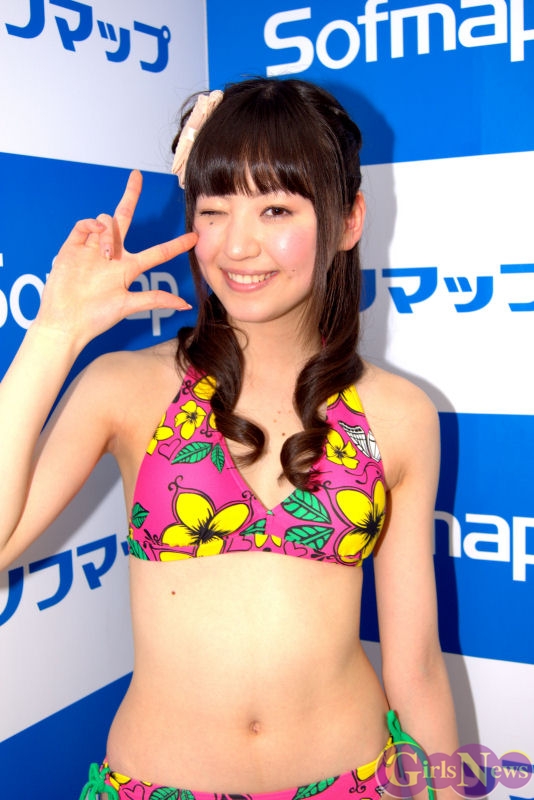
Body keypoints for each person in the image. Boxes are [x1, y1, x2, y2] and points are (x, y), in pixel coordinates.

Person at [0, 77, 458, 800]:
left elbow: (418, 668)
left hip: (360, 780)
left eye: (275, 208)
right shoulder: (126, 388)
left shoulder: (400, 415)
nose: (238, 245)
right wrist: (55, 331)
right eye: (214, 210)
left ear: (348, 220)